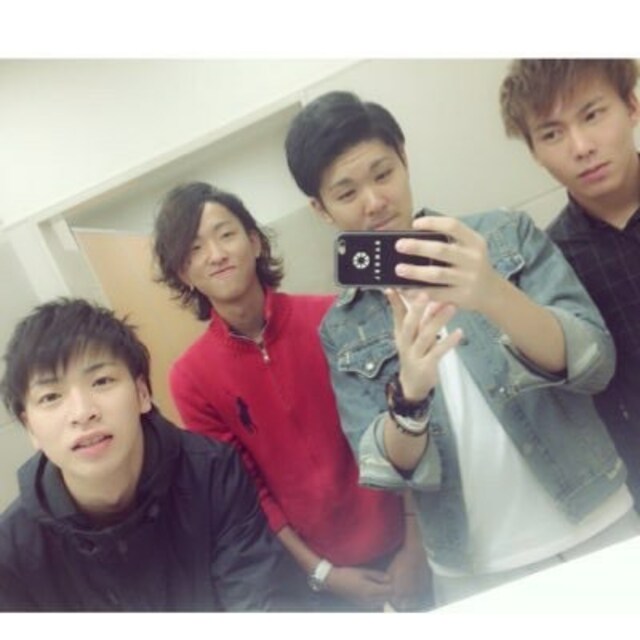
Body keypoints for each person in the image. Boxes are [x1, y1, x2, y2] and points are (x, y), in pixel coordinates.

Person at [284, 90, 640, 607]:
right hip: (473, 571)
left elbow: (594, 362)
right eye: (346, 192)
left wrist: (493, 292)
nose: (374, 201)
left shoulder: (502, 235)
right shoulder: (342, 327)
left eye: (383, 173)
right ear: (320, 209)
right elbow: (385, 468)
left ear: (404, 159)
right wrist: (408, 398)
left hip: (597, 522)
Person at [152, 182, 431, 611]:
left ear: (254, 242)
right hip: (318, 579)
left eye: (225, 234)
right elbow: (246, 491)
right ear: (183, 274)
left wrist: (417, 543)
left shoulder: (333, 317)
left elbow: (399, 424)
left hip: (407, 541)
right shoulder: (190, 377)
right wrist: (323, 574)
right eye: (194, 249)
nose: (216, 254)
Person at [0, 298, 287, 612]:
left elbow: (258, 605)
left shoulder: (212, 474)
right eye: (51, 397)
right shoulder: (12, 552)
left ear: (142, 393)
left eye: (102, 381)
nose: (82, 413)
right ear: (30, 428)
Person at [499, 59, 640, 510]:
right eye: (552, 134)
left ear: (632, 106)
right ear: (534, 152)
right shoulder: (548, 264)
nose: (581, 147)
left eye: (593, 114)